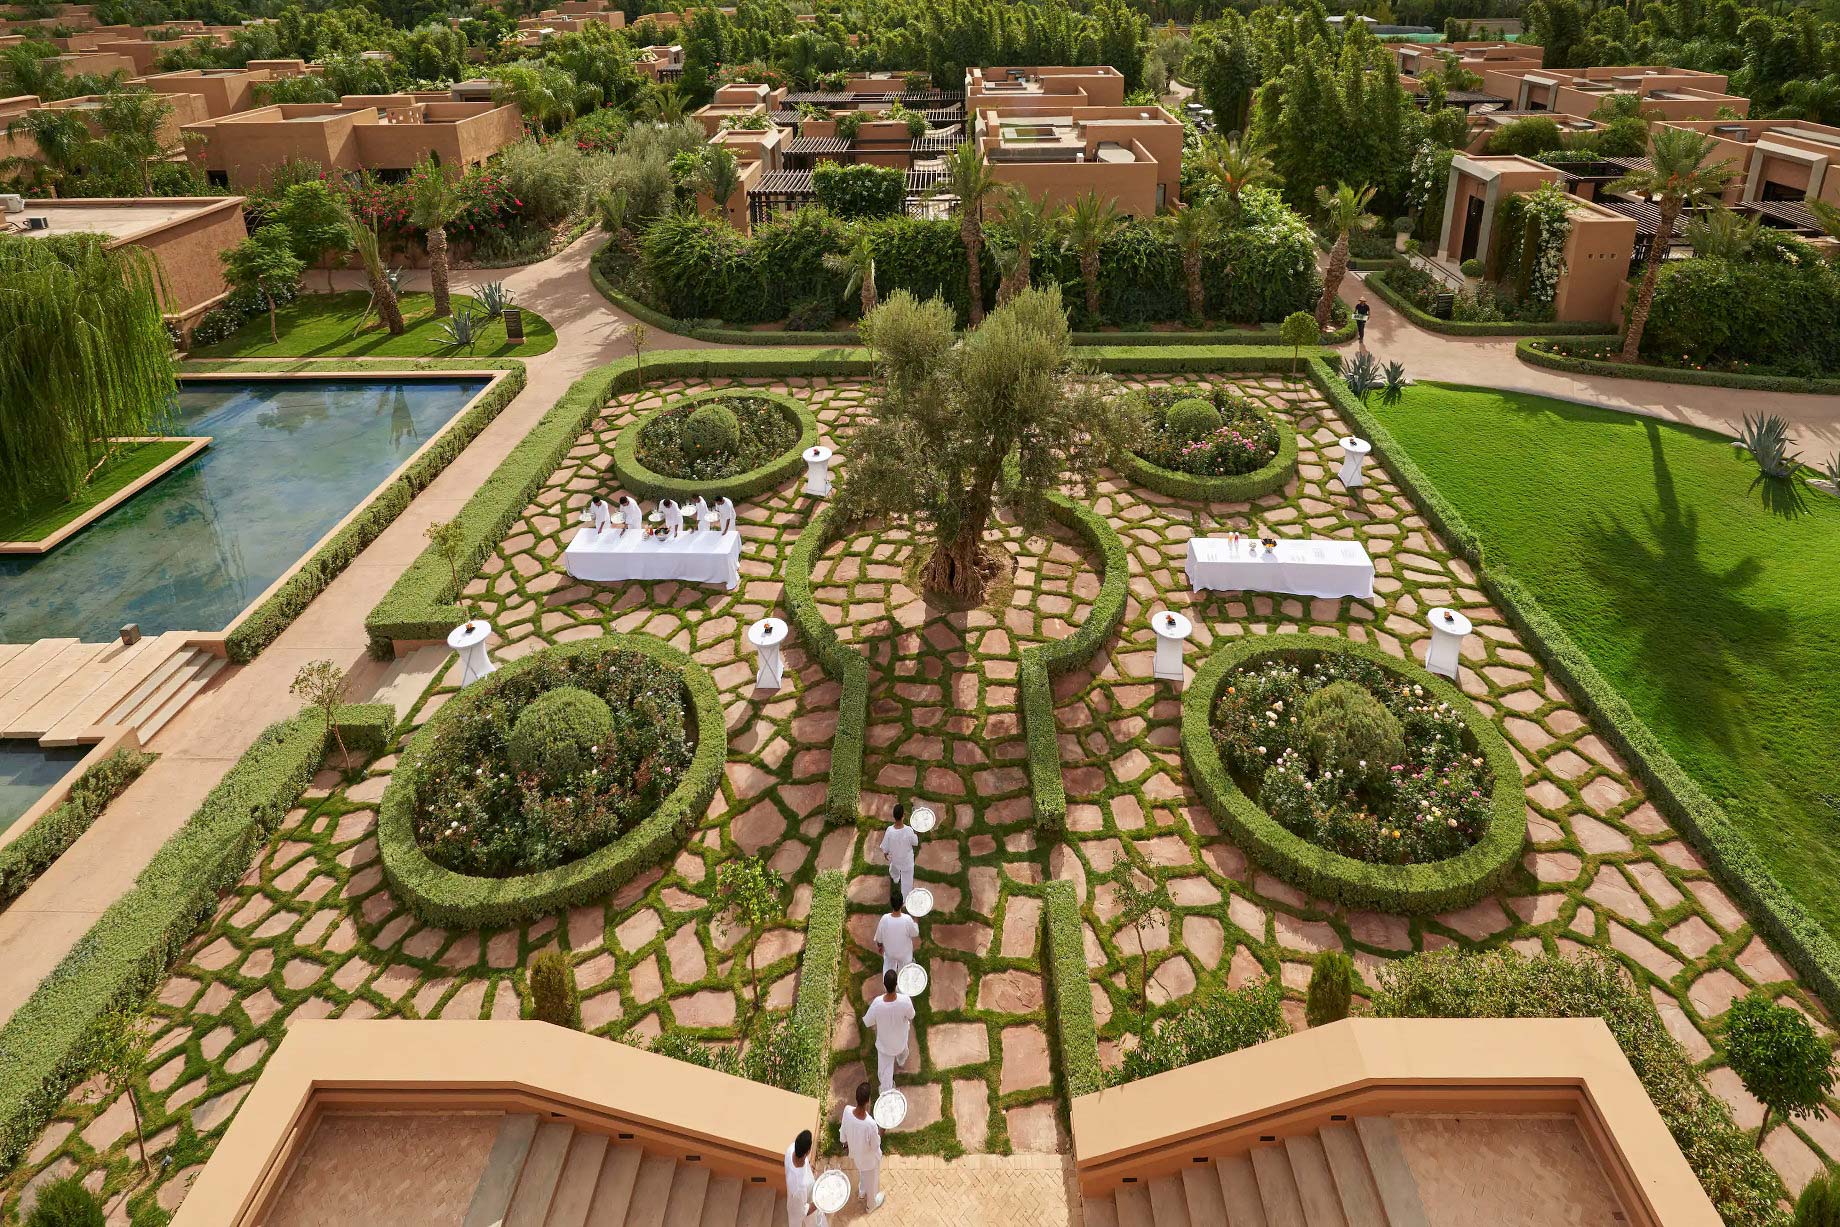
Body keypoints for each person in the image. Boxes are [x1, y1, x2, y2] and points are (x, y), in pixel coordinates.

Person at [861, 968, 915, 1093]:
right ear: (897, 984)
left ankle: (887, 1091)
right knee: (903, 1051)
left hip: (885, 1046)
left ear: (884, 985)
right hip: (901, 1041)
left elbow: (867, 1022)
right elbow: (911, 1015)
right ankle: (901, 1061)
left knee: (885, 1073)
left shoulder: (877, 1004)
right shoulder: (905, 1000)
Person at [838, 1081, 885, 1213]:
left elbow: (843, 1132)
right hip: (869, 1161)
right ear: (868, 1101)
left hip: (856, 1156)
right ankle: (871, 1204)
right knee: (873, 1182)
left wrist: (844, 1144)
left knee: (862, 1174)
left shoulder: (847, 1111)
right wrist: (882, 1130)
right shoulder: (870, 1124)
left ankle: (862, 1191)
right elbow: (875, 1146)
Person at [874, 888, 920, 977]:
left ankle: (888, 984)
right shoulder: (907, 919)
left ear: (890, 904)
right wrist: (916, 918)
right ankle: (902, 987)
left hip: (890, 953)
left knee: (888, 967)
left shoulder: (884, 919)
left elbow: (879, 939)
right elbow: (915, 933)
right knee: (904, 973)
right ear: (902, 904)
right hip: (905, 955)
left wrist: (880, 946)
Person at [784, 1129, 826, 1227]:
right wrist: (819, 1202)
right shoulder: (800, 1186)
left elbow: (801, 1162)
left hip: (797, 1197)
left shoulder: (790, 1150)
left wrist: (807, 1167)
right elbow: (804, 1211)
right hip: (803, 1203)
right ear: (808, 1151)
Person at [879, 803, 919, 897]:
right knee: (907, 881)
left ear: (894, 816)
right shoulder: (909, 830)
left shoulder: (889, 830)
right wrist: (916, 832)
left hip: (895, 859)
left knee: (894, 869)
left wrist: (885, 853)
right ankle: (905, 899)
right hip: (907, 861)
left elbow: (885, 845)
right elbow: (915, 842)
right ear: (903, 816)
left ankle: (895, 879)